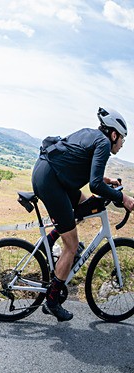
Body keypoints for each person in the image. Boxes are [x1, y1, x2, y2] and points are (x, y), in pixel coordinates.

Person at [32, 107, 134, 321]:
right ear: (113, 134)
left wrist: (107, 181)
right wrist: (123, 198)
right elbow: (94, 184)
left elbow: (83, 167)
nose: (122, 144)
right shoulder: (103, 143)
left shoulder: (91, 134)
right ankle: (52, 301)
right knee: (71, 246)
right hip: (52, 182)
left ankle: (50, 239)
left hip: (49, 174)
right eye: (122, 139)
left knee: (85, 205)